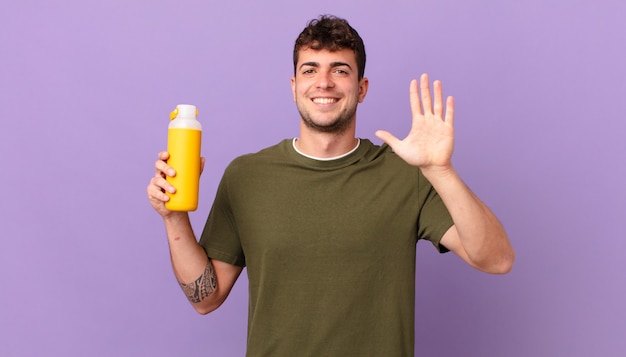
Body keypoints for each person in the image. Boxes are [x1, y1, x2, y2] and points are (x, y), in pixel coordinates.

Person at [147, 15, 514, 357]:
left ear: (362, 87)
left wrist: (441, 170)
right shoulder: (246, 176)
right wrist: (173, 218)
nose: (324, 82)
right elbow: (205, 298)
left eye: (340, 70)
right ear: (294, 86)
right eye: (310, 70)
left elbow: (496, 260)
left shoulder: (407, 174)